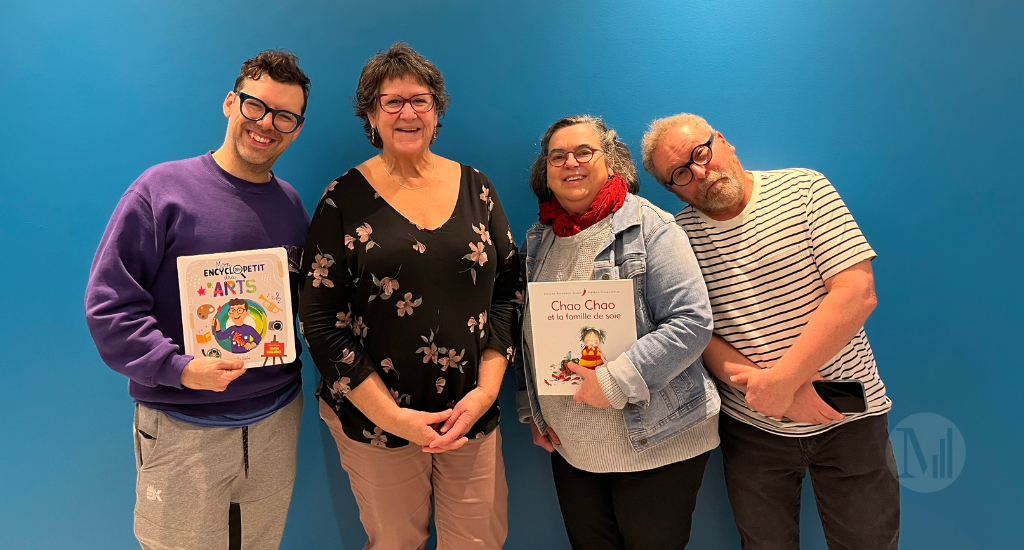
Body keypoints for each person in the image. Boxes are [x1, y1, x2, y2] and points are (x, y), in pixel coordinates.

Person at [298, 42, 522, 550]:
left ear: (437, 111)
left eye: (419, 100)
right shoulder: (342, 198)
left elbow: (509, 292)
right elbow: (319, 318)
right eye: (390, 102)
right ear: (371, 116)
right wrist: (395, 418)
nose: (407, 113)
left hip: (470, 414)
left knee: (479, 542)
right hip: (376, 421)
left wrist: (485, 393)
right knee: (395, 543)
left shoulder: (477, 188)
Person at [84, 50, 311, 550]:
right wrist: (181, 368)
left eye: (284, 116)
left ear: (296, 129)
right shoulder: (161, 191)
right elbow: (109, 307)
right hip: (183, 427)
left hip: (275, 421)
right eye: (256, 106)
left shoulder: (292, 206)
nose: (266, 124)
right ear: (231, 103)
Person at [642, 113, 899, 549]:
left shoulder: (805, 189)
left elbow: (856, 294)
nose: (700, 173)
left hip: (851, 413)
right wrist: (775, 394)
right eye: (680, 174)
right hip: (753, 428)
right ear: (672, 189)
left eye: (700, 153)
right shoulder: (676, 236)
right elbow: (695, 332)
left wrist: (784, 382)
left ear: (722, 141)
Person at [514, 115, 719, 550]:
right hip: (573, 449)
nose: (571, 162)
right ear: (545, 170)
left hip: (658, 440)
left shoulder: (652, 227)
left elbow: (691, 322)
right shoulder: (538, 242)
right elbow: (526, 333)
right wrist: (534, 408)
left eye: (584, 152)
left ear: (611, 163)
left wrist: (613, 381)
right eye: (558, 155)